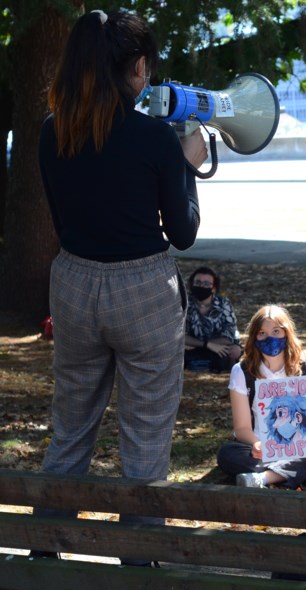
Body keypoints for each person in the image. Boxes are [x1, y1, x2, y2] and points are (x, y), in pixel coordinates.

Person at [34, 9, 207, 556]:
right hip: (144, 290)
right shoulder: (155, 138)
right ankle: (137, 566)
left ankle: (41, 557)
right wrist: (187, 166)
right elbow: (183, 234)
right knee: (146, 438)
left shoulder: (49, 131)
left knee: (70, 430)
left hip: (74, 284)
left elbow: (64, 225)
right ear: (136, 67)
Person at [218, 305, 306, 489]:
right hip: (261, 450)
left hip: (301, 448)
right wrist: (256, 444)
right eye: (262, 333)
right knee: (227, 454)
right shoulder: (241, 371)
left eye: (276, 331)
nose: (269, 338)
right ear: (254, 337)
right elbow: (241, 428)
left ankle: (264, 478)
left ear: (287, 333)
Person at [183, 266, 242, 372]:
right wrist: (207, 345)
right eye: (198, 282)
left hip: (217, 347)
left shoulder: (224, 303)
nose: (201, 286)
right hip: (192, 348)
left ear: (214, 288)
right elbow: (179, 335)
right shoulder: (184, 303)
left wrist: (208, 344)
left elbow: (229, 336)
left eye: (206, 284)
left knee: (235, 351)